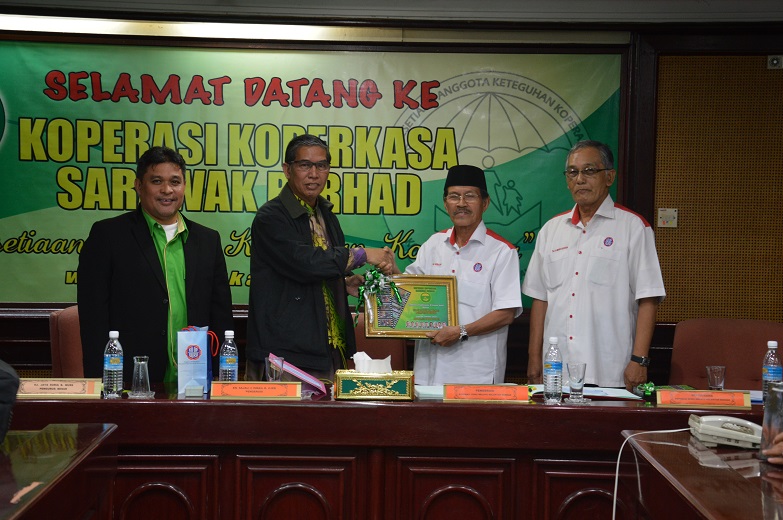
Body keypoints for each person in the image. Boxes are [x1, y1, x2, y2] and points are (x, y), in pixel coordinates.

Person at [78, 146, 233, 385]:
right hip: (130, 379)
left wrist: (222, 376)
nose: (167, 190)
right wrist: (101, 381)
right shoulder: (108, 236)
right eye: (156, 181)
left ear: (184, 186)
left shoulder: (207, 240)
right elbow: (93, 316)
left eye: (175, 181)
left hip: (196, 380)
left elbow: (220, 314)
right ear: (139, 186)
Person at [246, 134, 395, 381]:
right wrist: (362, 254)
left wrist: (343, 283)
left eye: (321, 165)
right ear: (287, 170)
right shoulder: (271, 217)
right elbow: (305, 262)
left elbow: (321, 269)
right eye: (305, 165)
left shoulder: (326, 214)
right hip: (286, 354)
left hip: (329, 349)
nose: (314, 174)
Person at [522, 140, 665, 390]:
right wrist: (534, 358)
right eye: (573, 172)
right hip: (556, 370)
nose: (580, 179)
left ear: (609, 177)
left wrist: (639, 360)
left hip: (611, 369)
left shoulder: (633, 227)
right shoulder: (551, 230)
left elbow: (648, 297)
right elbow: (540, 299)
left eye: (589, 171)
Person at [402, 165, 522, 385]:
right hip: (428, 372)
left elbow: (506, 313)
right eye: (454, 196)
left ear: (485, 203)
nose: (461, 203)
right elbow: (408, 291)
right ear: (445, 202)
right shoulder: (433, 244)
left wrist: (461, 331)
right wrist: (387, 274)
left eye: (470, 196)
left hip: (476, 375)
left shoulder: (502, 251)